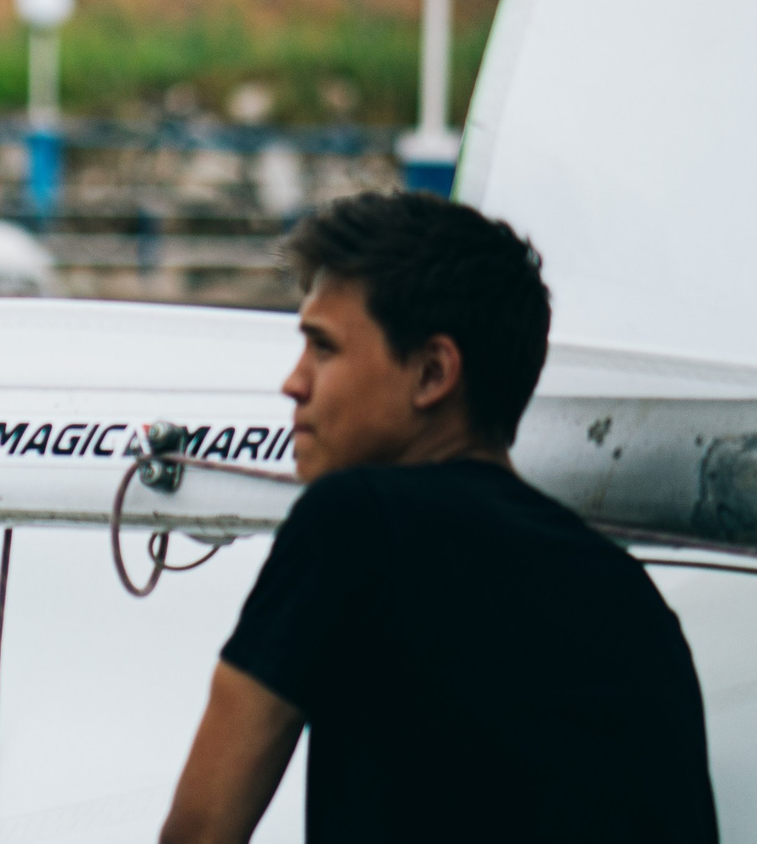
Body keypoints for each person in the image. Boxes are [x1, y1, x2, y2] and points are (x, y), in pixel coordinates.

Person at [159, 190, 716, 844]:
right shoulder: (633, 602)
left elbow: (200, 832)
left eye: (323, 348)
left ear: (431, 373)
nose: (294, 381)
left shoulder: (356, 521)